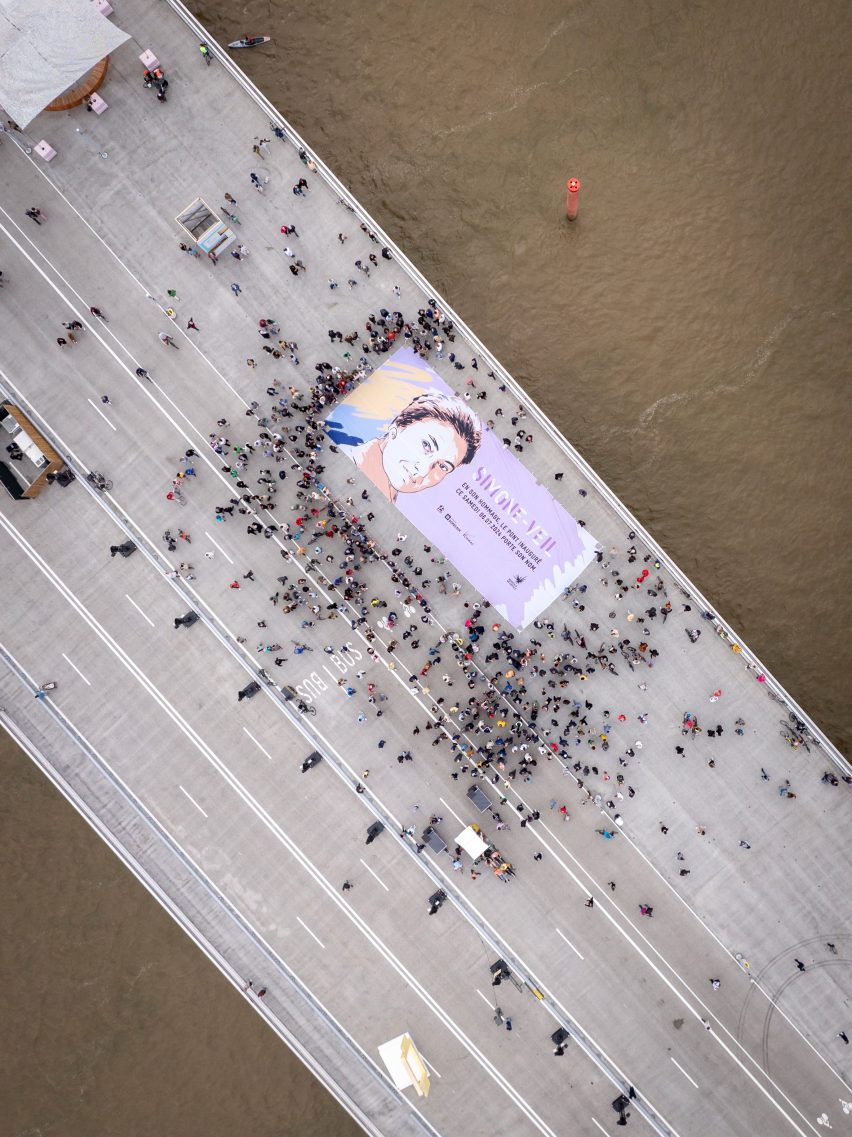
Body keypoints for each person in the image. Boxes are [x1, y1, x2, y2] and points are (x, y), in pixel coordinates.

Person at [337, 391, 481, 503]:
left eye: (443, 467)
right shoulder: (348, 463)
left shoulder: (388, 494)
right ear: (396, 428)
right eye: (426, 445)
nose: (424, 471)